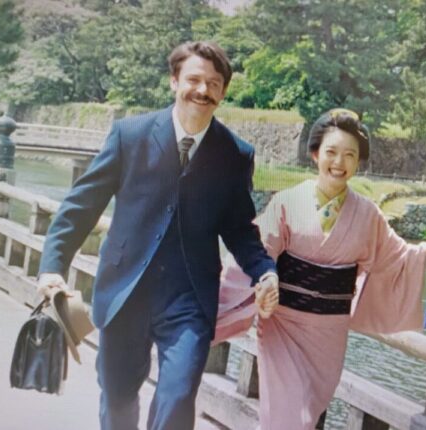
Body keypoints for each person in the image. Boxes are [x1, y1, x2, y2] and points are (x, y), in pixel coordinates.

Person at [36, 41, 279, 430]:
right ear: (174, 81)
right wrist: (52, 267)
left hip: (188, 299)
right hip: (124, 290)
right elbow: (80, 207)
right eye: (194, 79)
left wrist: (265, 271)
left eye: (213, 84)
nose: (202, 90)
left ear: (223, 92)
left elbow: (239, 228)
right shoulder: (129, 135)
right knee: (117, 397)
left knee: (178, 396)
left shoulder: (235, 154)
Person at [214, 108, 426, 430]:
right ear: (315, 154)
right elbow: (258, 254)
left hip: (329, 333)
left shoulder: (368, 214)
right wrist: (264, 286)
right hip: (283, 325)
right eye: (331, 152)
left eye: (350, 155)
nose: (339, 162)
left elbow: (397, 257)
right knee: (289, 418)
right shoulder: (288, 201)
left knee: (306, 415)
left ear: (358, 162)